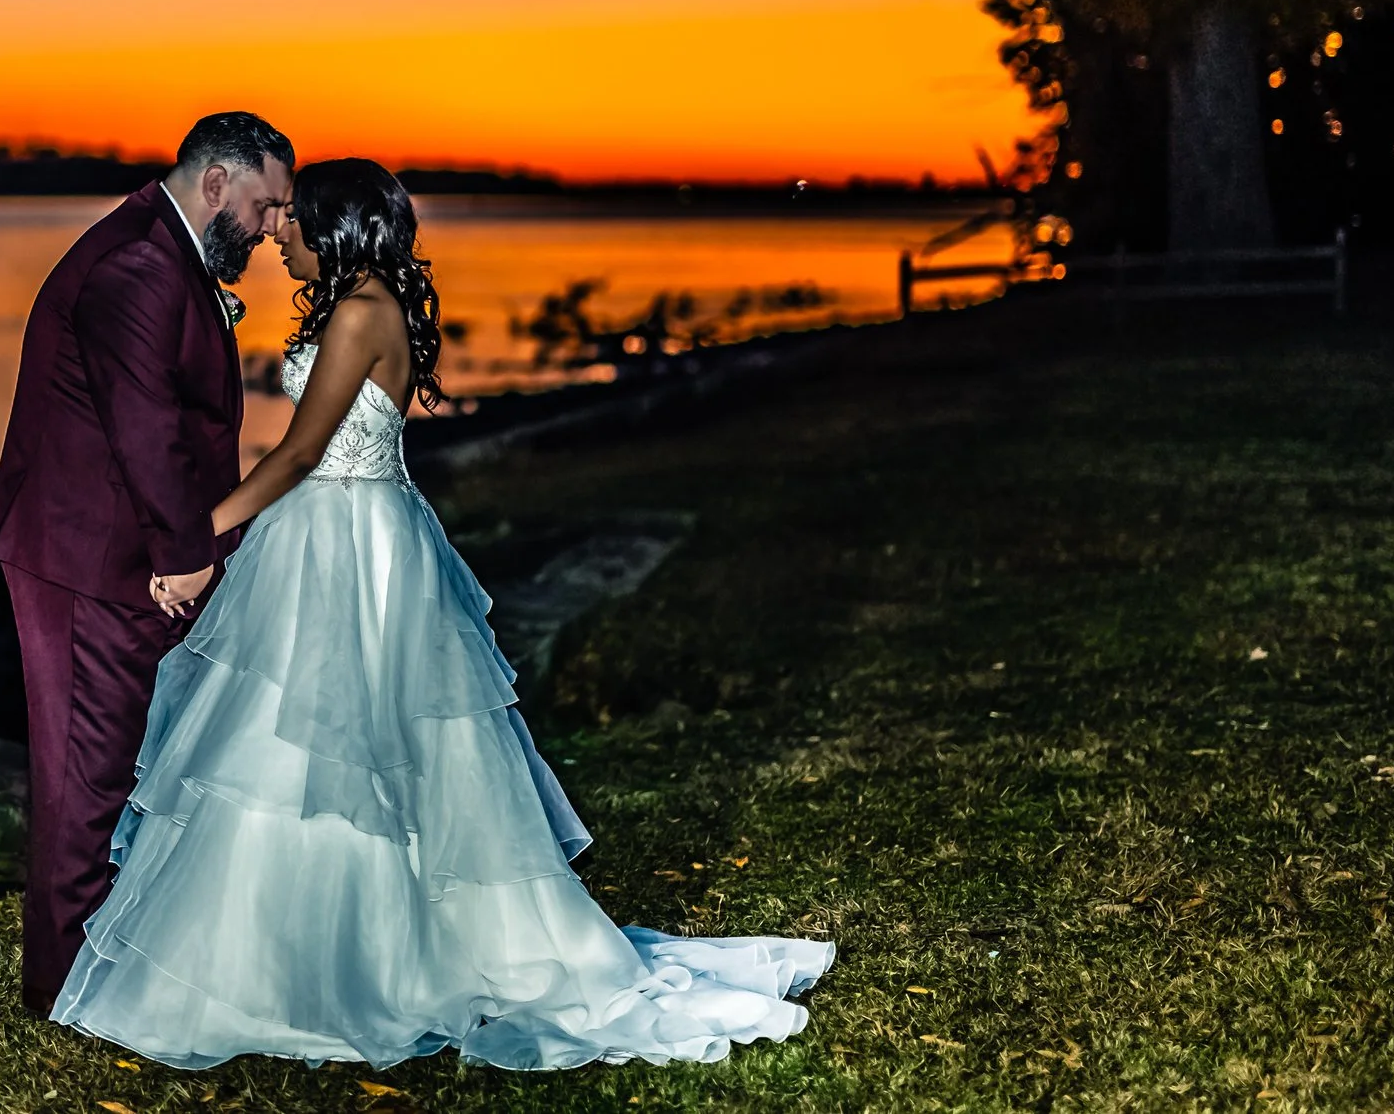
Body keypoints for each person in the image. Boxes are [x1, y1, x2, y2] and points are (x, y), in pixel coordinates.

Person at [50, 159, 832, 1070]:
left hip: (350, 544)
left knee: (346, 741)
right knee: (308, 740)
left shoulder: (359, 313)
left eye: (295, 221)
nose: (277, 233)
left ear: (339, 229)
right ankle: (304, 941)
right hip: (339, 531)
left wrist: (195, 537)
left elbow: (304, 450)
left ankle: (356, 954)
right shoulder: (365, 305)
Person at [0, 112, 297, 1015]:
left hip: (121, 549)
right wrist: (188, 555)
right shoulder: (139, 264)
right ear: (215, 184)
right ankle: (66, 987)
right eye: (265, 206)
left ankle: (121, 956)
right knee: (88, 773)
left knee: (128, 761)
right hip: (90, 555)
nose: (273, 229)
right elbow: (146, 426)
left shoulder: (162, 250)